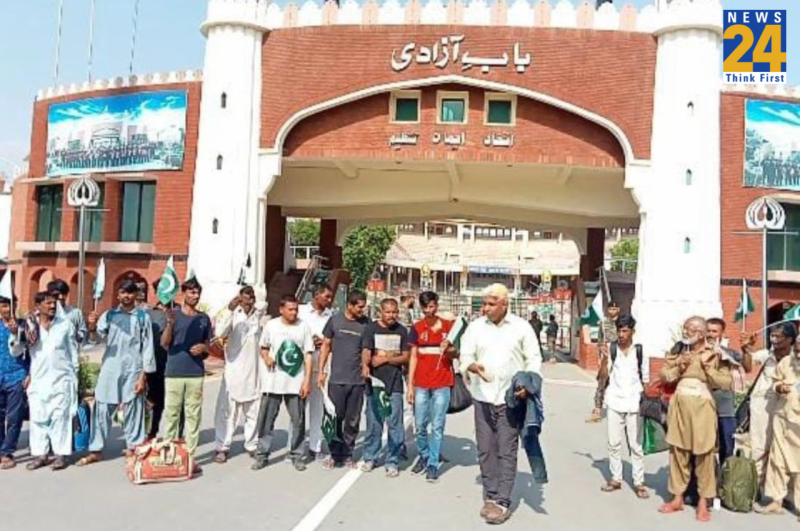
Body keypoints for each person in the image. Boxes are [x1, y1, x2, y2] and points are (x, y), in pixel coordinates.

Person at [460, 283, 542, 525]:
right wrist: (471, 366)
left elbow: (534, 359)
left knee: (506, 450)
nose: (485, 308)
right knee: (485, 449)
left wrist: (527, 385)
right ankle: (490, 495)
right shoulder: (475, 328)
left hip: (510, 400)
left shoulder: (522, 328)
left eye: (491, 304)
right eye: (484, 303)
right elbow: (465, 356)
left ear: (505, 304)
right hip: (482, 397)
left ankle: (503, 501)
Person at [658, 316, 731, 523]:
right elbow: (664, 375)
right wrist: (679, 367)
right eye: (684, 328)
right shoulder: (678, 350)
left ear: (700, 333)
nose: (686, 332)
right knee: (678, 451)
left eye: (690, 329)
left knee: (704, 454)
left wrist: (708, 369)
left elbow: (726, 382)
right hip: (680, 405)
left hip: (703, 406)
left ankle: (703, 502)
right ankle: (677, 498)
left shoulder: (716, 354)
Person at [80, 280, 156, 466]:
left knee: (133, 409)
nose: (127, 296)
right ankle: (96, 449)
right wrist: (91, 326)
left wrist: (143, 376)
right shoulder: (109, 315)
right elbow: (95, 340)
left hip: (133, 368)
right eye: (123, 292)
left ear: (136, 295)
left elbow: (147, 348)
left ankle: (133, 447)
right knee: (102, 408)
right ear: (118, 294)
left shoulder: (142, 317)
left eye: (130, 293)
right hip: (111, 368)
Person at [18, 291, 79, 471]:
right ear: (38, 306)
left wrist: (74, 376)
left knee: (60, 416)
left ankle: (60, 454)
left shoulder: (65, 325)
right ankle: (40, 454)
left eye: (54, 303)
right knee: (38, 417)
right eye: (48, 304)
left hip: (62, 378)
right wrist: (16, 333)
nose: (52, 306)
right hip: (38, 378)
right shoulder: (29, 326)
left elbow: (73, 352)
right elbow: (18, 351)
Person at [252, 294, 314, 472]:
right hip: (273, 383)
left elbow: (308, 354)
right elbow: (263, 348)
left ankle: (296, 454)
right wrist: (267, 358)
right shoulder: (271, 325)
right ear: (281, 310)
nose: (294, 312)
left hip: (295, 383)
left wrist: (307, 381)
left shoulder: (303, 327)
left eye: (296, 309)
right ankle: (262, 455)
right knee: (266, 420)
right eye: (290, 309)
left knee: (298, 421)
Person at [161, 278, 212, 465]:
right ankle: (169, 454)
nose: (195, 296)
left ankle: (189, 456)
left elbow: (209, 344)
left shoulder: (203, 318)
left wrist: (203, 348)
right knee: (172, 415)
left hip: (195, 373)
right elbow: (165, 343)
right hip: (174, 372)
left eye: (198, 293)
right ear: (183, 293)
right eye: (191, 292)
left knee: (193, 415)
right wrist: (169, 324)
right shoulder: (173, 315)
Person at [407, 291, 456, 482]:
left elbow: (456, 353)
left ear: (437, 305)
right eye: (426, 307)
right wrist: (410, 386)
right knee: (420, 424)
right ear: (422, 307)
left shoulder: (448, 327)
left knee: (437, 425)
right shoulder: (417, 327)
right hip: (421, 383)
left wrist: (449, 348)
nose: (430, 310)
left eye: (433, 306)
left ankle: (433, 463)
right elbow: (413, 356)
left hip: (442, 383)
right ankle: (424, 454)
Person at [213, 286, 266, 464]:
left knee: (254, 410)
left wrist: (254, 307)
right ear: (239, 298)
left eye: (251, 297)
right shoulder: (233, 314)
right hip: (234, 371)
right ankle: (222, 446)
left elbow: (264, 303)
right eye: (245, 297)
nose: (248, 300)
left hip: (254, 370)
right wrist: (230, 310)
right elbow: (219, 333)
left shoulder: (258, 315)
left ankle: (251, 444)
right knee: (227, 412)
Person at [318, 290, 369, 469]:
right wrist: (321, 370)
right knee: (334, 418)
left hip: (357, 381)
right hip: (336, 380)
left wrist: (365, 367)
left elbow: (366, 349)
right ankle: (334, 453)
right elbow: (325, 345)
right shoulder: (335, 320)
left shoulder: (365, 324)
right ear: (350, 305)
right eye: (360, 306)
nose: (363, 309)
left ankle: (347, 454)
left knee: (352, 420)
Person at [599, 315, 649, 499]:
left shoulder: (640, 351)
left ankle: (639, 481)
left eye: (625, 330)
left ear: (632, 332)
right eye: (619, 330)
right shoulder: (612, 349)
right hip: (614, 401)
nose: (621, 334)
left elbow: (646, 378)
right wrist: (604, 359)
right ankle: (616, 478)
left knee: (635, 445)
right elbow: (603, 376)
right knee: (614, 443)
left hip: (634, 402)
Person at [754, 322, 800, 516]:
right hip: (782, 418)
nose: (798, 356)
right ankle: (776, 500)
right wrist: (779, 387)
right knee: (777, 459)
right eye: (797, 352)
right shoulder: (786, 362)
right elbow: (775, 382)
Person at [361, 298, 410, 478]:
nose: (392, 316)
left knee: (395, 424)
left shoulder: (402, 331)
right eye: (388, 312)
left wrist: (386, 359)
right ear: (381, 312)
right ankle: (370, 457)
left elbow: (405, 357)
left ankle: (392, 460)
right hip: (374, 383)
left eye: (394, 312)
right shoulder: (371, 328)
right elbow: (366, 349)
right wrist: (365, 365)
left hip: (395, 384)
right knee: (374, 422)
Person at [742, 325, 793, 487]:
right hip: (762, 405)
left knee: (785, 448)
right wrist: (745, 349)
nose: (774, 340)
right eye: (772, 336)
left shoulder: (795, 358)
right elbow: (748, 366)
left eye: (779, 337)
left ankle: (784, 490)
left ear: (790, 340)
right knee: (760, 445)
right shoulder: (766, 355)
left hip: (788, 406)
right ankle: (756, 485)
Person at [706, 317, 751, 464]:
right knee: (705, 445)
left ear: (721, 333)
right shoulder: (698, 351)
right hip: (704, 402)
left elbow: (747, 367)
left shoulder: (728, 352)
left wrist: (745, 350)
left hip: (725, 405)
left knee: (727, 444)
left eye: (714, 331)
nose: (711, 334)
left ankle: (726, 478)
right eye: (708, 330)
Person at [298, 284, 334, 463]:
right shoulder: (301, 312)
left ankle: (315, 446)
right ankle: (295, 447)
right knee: (297, 408)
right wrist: (307, 341)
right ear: (317, 295)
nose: (329, 300)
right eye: (326, 296)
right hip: (301, 367)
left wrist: (326, 342)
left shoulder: (331, 315)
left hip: (322, 366)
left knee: (318, 408)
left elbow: (335, 339)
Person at [0, 295, 26, 469]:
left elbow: (30, 348)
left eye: (10, 305)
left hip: (16, 375)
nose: (7, 309)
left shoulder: (24, 325)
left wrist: (16, 331)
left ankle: (7, 452)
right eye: (3, 306)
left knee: (15, 416)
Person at [587, 302, 621, 423]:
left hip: (621, 355)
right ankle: (597, 408)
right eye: (611, 308)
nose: (613, 310)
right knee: (602, 381)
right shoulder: (603, 323)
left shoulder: (623, 322)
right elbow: (600, 341)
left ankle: (619, 409)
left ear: (618, 309)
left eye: (615, 308)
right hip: (607, 355)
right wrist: (601, 350)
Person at [145, 280, 169, 440]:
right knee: (151, 401)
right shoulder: (148, 314)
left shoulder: (179, 312)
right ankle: (149, 433)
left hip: (172, 364)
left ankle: (174, 435)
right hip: (152, 363)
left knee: (170, 403)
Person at [47, 279, 87, 345]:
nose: (61, 297)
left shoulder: (75, 313)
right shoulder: (43, 314)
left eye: (64, 294)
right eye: (57, 295)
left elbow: (83, 335)